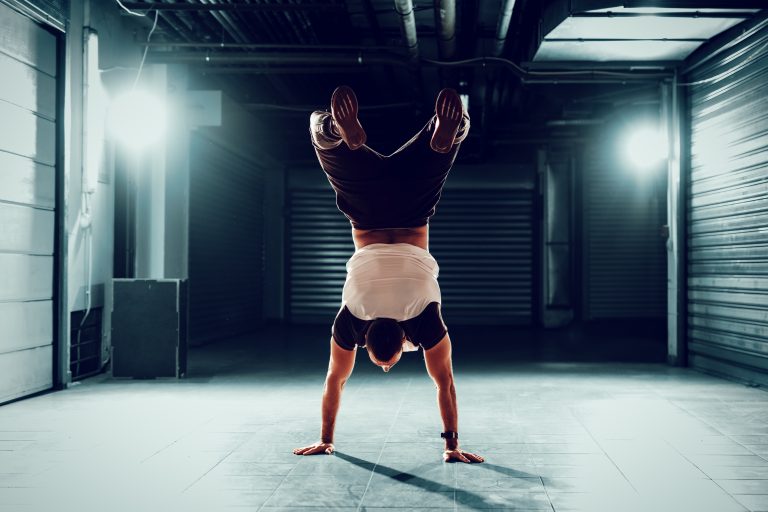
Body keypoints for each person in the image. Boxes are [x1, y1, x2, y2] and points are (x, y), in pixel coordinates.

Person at [293, 86, 483, 464]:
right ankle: (334, 130)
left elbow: (445, 385)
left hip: (415, 209)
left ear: (401, 344)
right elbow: (335, 381)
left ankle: (448, 131)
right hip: (365, 211)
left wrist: (452, 446)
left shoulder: (426, 324)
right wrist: (324, 438)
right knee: (318, 133)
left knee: (447, 141)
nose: (385, 368)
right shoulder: (350, 323)